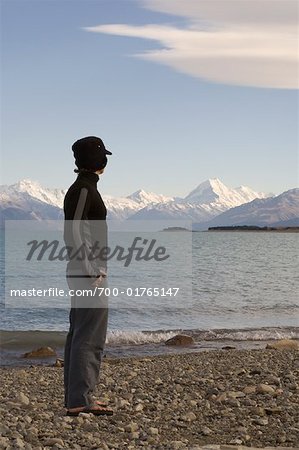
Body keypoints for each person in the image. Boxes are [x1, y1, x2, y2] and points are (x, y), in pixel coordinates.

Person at [63, 136, 113, 416]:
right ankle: (81, 400)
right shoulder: (83, 189)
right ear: (98, 161)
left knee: (79, 333)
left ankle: (77, 398)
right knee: (89, 336)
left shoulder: (84, 187)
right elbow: (73, 230)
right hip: (88, 272)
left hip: (85, 270)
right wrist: (90, 268)